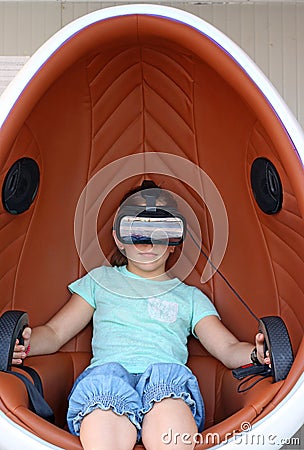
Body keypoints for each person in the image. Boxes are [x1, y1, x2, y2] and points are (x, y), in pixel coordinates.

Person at [12, 181, 270, 450]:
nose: (147, 238)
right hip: (106, 381)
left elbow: (227, 348)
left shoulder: (189, 297)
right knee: (103, 424)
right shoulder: (101, 281)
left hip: (167, 383)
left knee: (170, 427)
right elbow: (54, 334)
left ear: (173, 241)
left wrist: (258, 354)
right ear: (119, 238)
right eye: (136, 226)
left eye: (159, 227)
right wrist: (22, 345)